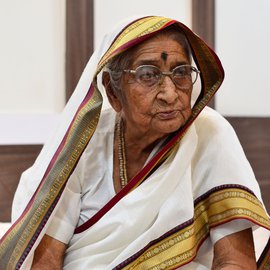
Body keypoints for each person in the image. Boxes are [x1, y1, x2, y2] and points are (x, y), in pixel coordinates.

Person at [0, 15, 269, 270]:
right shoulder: (85, 143)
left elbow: (235, 261)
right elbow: (46, 260)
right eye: (148, 75)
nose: (170, 93)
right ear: (113, 92)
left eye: (181, 72)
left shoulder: (210, 133)